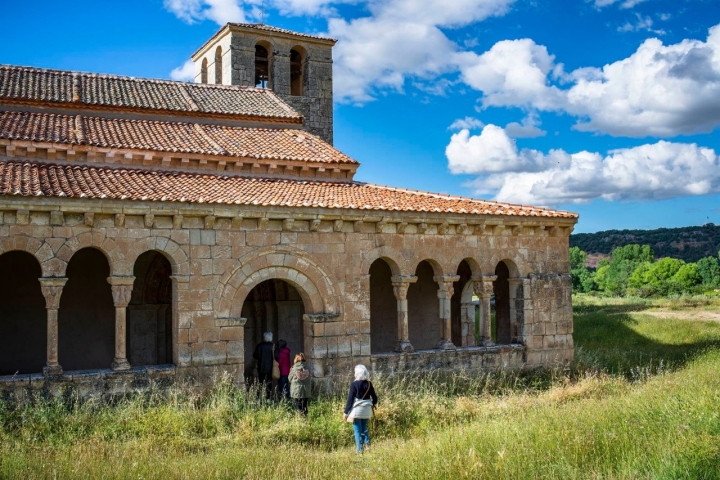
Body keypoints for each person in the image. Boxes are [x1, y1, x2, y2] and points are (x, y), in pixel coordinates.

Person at [343, 364, 378, 454]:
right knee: (364, 428)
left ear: (357, 373)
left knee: (357, 430)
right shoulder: (369, 384)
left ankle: (359, 450)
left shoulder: (354, 384)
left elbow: (350, 400)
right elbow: (375, 398)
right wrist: (373, 404)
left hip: (357, 411)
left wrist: (346, 412)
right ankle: (367, 446)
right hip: (367, 410)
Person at [253, 331, 274, 399]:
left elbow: (255, 355)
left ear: (264, 337)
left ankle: (259, 397)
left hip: (261, 366)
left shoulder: (260, 345)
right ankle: (268, 398)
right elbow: (276, 356)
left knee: (260, 382)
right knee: (269, 382)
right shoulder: (273, 346)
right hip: (271, 367)